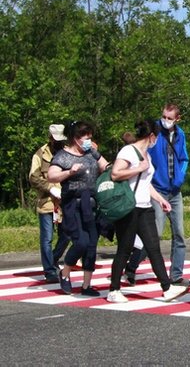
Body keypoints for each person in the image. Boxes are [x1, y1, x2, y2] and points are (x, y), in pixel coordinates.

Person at [106, 120, 190, 303]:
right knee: (125, 249)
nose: (157, 140)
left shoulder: (146, 154)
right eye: (157, 136)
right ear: (152, 136)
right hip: (129, 207)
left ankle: (167, 288)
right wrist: (138, 168)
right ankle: (113, 289)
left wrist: (160, 200)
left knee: (153, 247)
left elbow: (146, 182)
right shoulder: (128, 151)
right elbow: (115, 173)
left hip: (145, 207)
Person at [125, 104, 190, 287]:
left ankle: (176, 275)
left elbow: (184, 158)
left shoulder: (180, 134)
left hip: (175, 189)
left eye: (170, 118)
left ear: (177, 118)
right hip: (158, 189)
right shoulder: (154, 131)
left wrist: (180, 177)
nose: (165, 120)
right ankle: (131, 267)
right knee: (155, 233)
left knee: (179, 234)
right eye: (164, 116)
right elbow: (143, 151)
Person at [47, 121, 110, 296]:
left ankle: (86, 285)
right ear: (76, 139)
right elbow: (51, 176)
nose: (90, 140)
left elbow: (107, 168)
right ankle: (65, 271)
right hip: (73, 204)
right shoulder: (63, 156)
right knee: (81, 242)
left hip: (92, 204)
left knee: (91, 245)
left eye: (91, 137)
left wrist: (97, 154)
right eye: (86, 137)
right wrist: (69, 173)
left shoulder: (91, 153)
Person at [29, 124, 70, 284]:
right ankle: (49, 271)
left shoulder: (67, 152)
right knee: (46, 238)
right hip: (46, 201)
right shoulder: (40, 154)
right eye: (56, 139)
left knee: (66, 235)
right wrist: (50, 188)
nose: (58, 143)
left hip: (65, 202)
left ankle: (52, 259)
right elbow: (33, 177)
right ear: (50, 138)